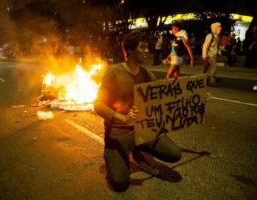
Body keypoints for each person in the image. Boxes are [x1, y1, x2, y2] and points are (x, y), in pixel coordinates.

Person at [94, 31, 181, 192]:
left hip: (142, 129)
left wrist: (194, 99)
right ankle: (113, 156)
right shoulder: (113, 72)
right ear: (130, 50)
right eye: (143, 47)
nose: (147, 51)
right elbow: (98, 105)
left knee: (174, 154)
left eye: (147, 47)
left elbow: (163, 98)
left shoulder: (148, 74)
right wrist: (122, 118)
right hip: (118, 132)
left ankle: (137, 148)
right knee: (120, 183)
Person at [202, 22, 222, 86]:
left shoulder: (216, 36)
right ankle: (211, 81)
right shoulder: (210, 35)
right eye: (219, 27)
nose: (220, 28)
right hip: (209, 55)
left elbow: (215, 46)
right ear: (215, 28)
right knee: (213, 67)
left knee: (205, 68)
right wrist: (204, 54)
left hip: (212, 55)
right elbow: (205, 45)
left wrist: (219, 52)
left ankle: (200, 79)